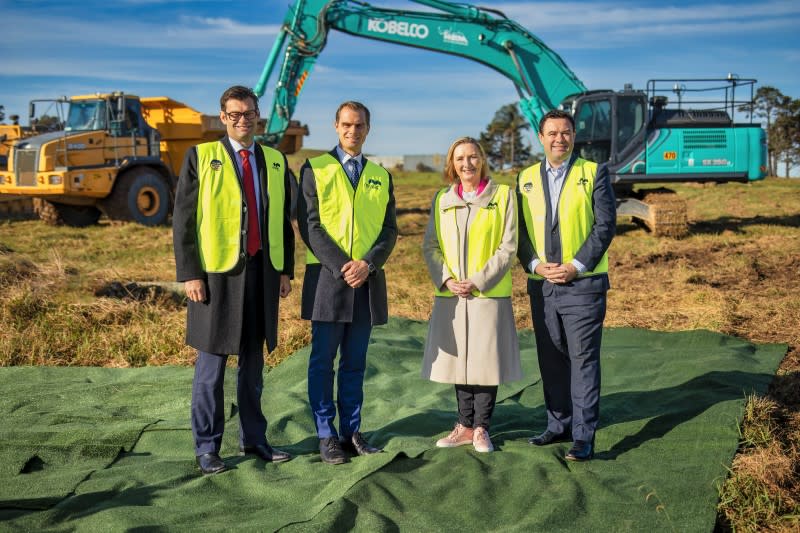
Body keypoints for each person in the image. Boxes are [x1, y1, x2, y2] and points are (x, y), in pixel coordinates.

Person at [172, 85, 295, 475]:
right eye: (235, 114)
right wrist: (191, 273)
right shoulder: (201, 156)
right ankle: (207, 447)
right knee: (211, 369)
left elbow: (283, 220)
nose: (243, 120)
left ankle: (254, 439)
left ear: (258, 116)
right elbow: (184, 221)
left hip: (262, 274)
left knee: (253, 367)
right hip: (216, 278)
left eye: (249, 113)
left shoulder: (275, 161)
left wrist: (285, 269)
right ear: (223, 118)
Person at [297, 101, 397, 465]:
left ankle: (350, 432)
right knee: (323, 361)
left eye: (359, 125)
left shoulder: (381, 176)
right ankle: (326, 435)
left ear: (368, 129)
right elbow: (310, 226)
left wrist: (368, 264)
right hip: (328, 280)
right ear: (336, 127)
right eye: (346, 125)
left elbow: (389, 230)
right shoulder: (315, 169)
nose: (352, 131)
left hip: (367, 282)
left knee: (355, 362)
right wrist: (344, 266)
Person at [516, 109, 616, 461]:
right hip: (542, 287)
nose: (560, 138)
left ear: (575, 136)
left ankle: (583, 435)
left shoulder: (594, 172)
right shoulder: (524, 178)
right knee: (551, 358)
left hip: (583, 285)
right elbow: (520, 234)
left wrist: (575, 266)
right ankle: (558, 424)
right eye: (553, 133)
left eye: (566, 132)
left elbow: (604, 226)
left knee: (583, 358)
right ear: (540, 137)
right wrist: (534, 265)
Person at [421, 137, 521, 453]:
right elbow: (431, 246)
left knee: (485, 362)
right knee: (460, 362)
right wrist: (447, 279)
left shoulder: (503, 196)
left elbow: (508, 247)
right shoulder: (442, 200)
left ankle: (481, 428)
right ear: (452, 164)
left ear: (482, 161)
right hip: (453, 295)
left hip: (487, 294)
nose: (467, 163)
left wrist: (478, 280)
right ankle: (463, 425)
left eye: (473, 157)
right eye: (460, 158)